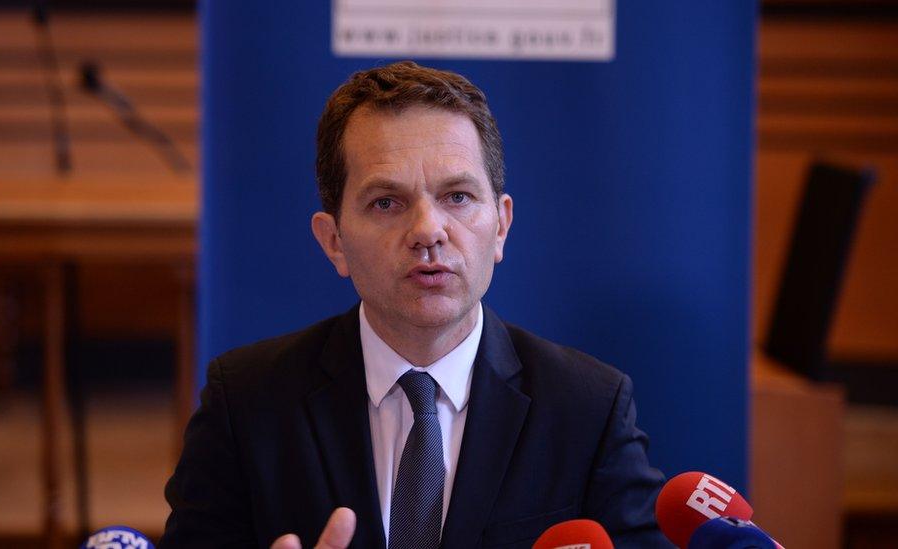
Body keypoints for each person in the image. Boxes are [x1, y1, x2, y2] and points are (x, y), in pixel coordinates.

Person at [160, 61, 672, 549]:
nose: (428, 230)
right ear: (333, 240)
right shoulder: (247, 404)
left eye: (457, 197)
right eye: (387, 202)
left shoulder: (587, 409)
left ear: (501, 225)